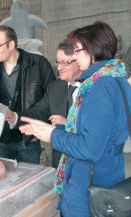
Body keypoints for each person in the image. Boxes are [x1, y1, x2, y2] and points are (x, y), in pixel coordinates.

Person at [19, 21, 131, 217]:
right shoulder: (118, 79)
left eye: (78, 51)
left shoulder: (100, 87)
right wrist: (59, 128)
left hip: (91, 185)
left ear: (93, 51)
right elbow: (101, 133)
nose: (75, 56)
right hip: (108, 172)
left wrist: (52, 135)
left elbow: (90, 148)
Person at [0, 25, 55, 164]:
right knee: (4, 182)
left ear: (11, 44)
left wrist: (39, 129)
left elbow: (51, 101)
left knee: (30, 181)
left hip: (28, 139)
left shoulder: (38, 64)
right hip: (0, 140)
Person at [41, 39, 83, 168]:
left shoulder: (95, 88)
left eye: (65, 63)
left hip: (84, 162)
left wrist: (67, 124)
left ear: (80, 60)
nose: (59, 68)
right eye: (58, 62)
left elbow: (97, 132)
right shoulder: (55, 87)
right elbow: (38, 111)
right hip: (59, 161)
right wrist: (14, 116)